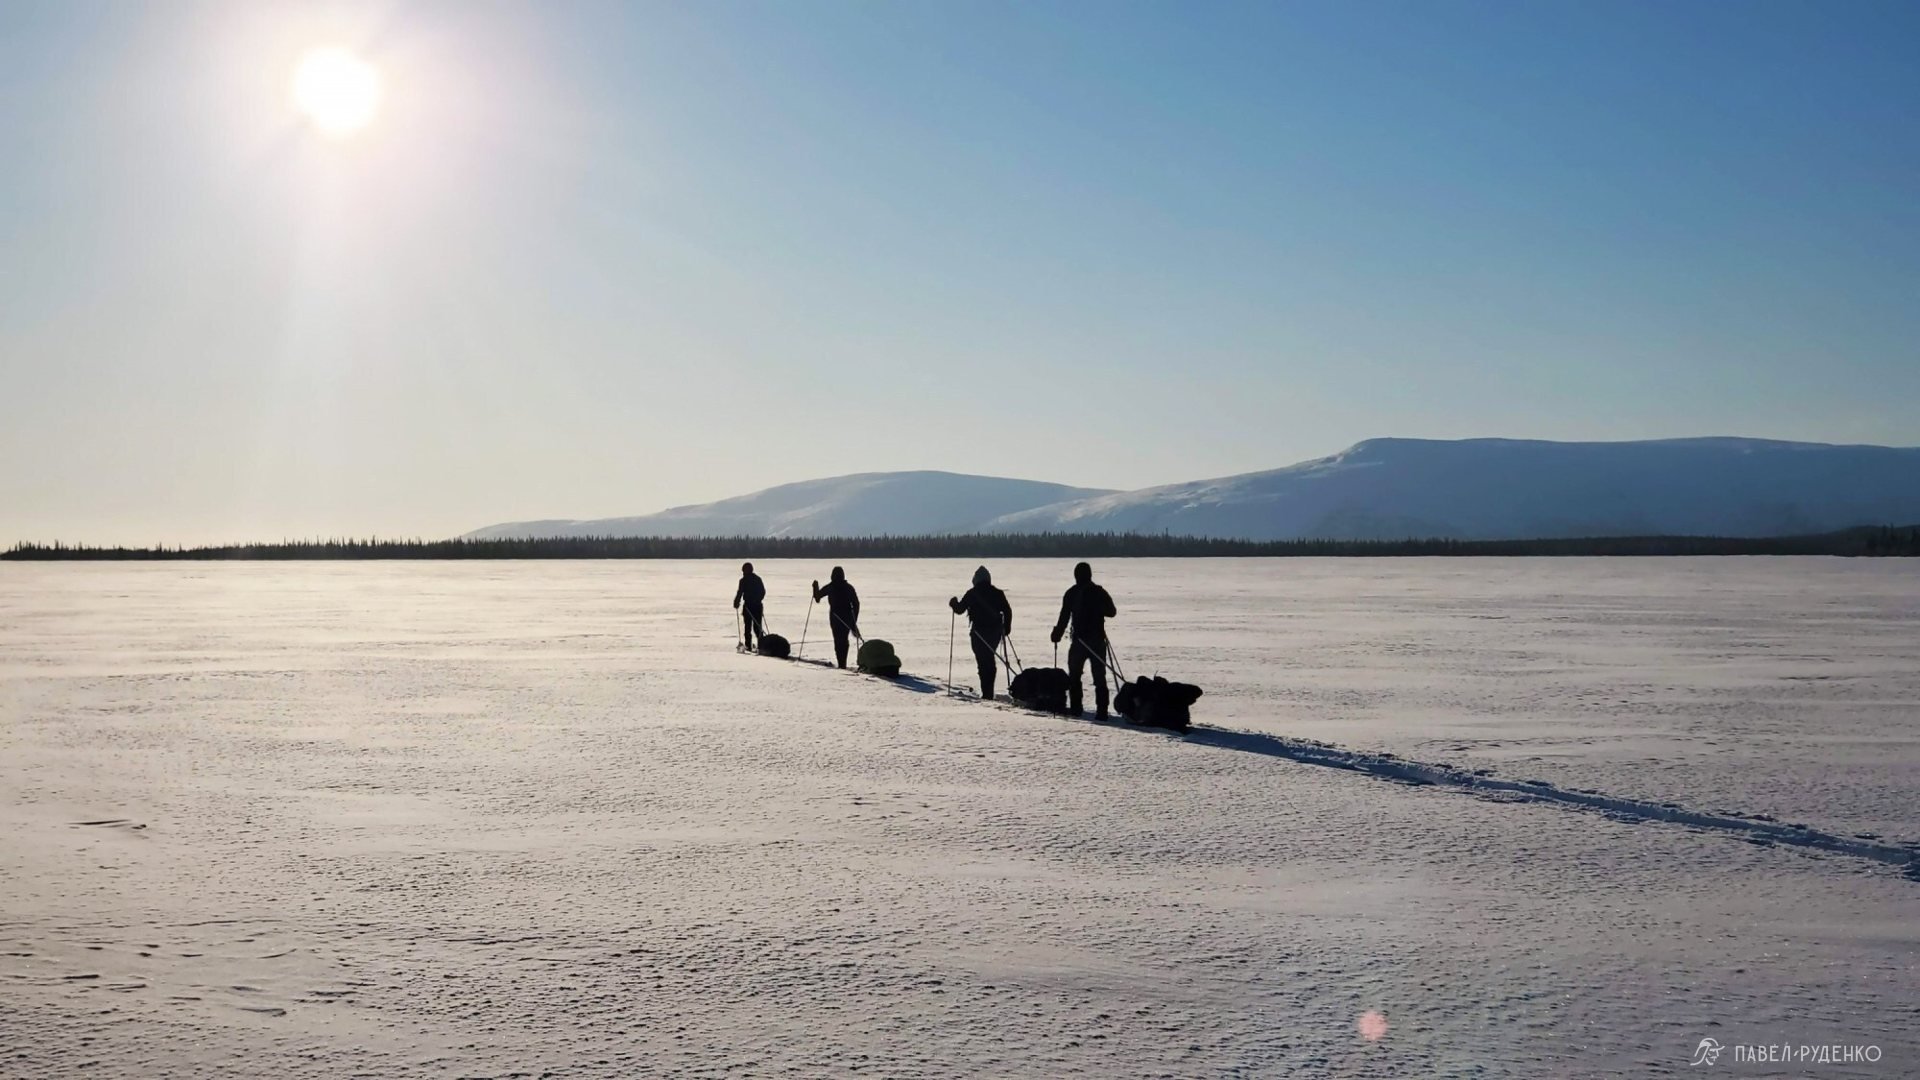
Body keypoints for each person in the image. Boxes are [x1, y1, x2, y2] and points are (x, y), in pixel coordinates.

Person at [1050, 561, 1117, 718]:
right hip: (1098, 640)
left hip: (1079, 642)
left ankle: (1076, 709)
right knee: (1099, 677)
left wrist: (1057, 635)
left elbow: (1064, 618)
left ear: (1076, 576)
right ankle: (1102, 712)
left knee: (1074, 676)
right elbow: (1112, 612)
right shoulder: (1099, 592)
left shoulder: (1071, 593)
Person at [949, 566, 1013, 700]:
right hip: (995, 633)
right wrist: (1006, 628)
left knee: (983, 661)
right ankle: (988, 691)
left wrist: (953, 603)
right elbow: (1007, 611)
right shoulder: (997, 593)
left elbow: (960, 609)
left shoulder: (972, 593)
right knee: (989, 658)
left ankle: (987, 693)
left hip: (978, 633)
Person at [811, 566, 862, 668]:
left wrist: (815, 587)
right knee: (843, 640)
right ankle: (842, 664)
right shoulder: (848, 588)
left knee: (838, 641)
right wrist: (853, 621)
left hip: (835, 618)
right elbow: (856, 604)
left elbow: (817, 597)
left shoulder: (831, 587)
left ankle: (841, 664)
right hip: (847, 618)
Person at [732, 562, 766, 651]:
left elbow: (740, 592)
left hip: (751, 606)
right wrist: (737, 601)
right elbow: (762, 592)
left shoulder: (744, 580)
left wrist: (736, 602)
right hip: (754, 606)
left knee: (751, 627)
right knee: (756, 627)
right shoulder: (756, 579)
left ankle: (750, 645)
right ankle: (759, 645)